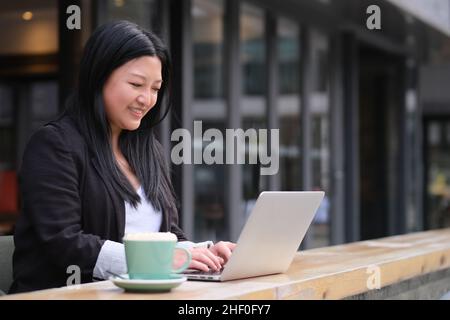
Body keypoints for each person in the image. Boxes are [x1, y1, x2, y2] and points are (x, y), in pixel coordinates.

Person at [9, 20, 235, 294]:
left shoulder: (148, 150)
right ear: (99, 76)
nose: (147, 99)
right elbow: (64, 241)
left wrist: (203, 253)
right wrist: (162, 261)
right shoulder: (54, 145)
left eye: (155, 88)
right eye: (136, 84)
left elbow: (166, 234)